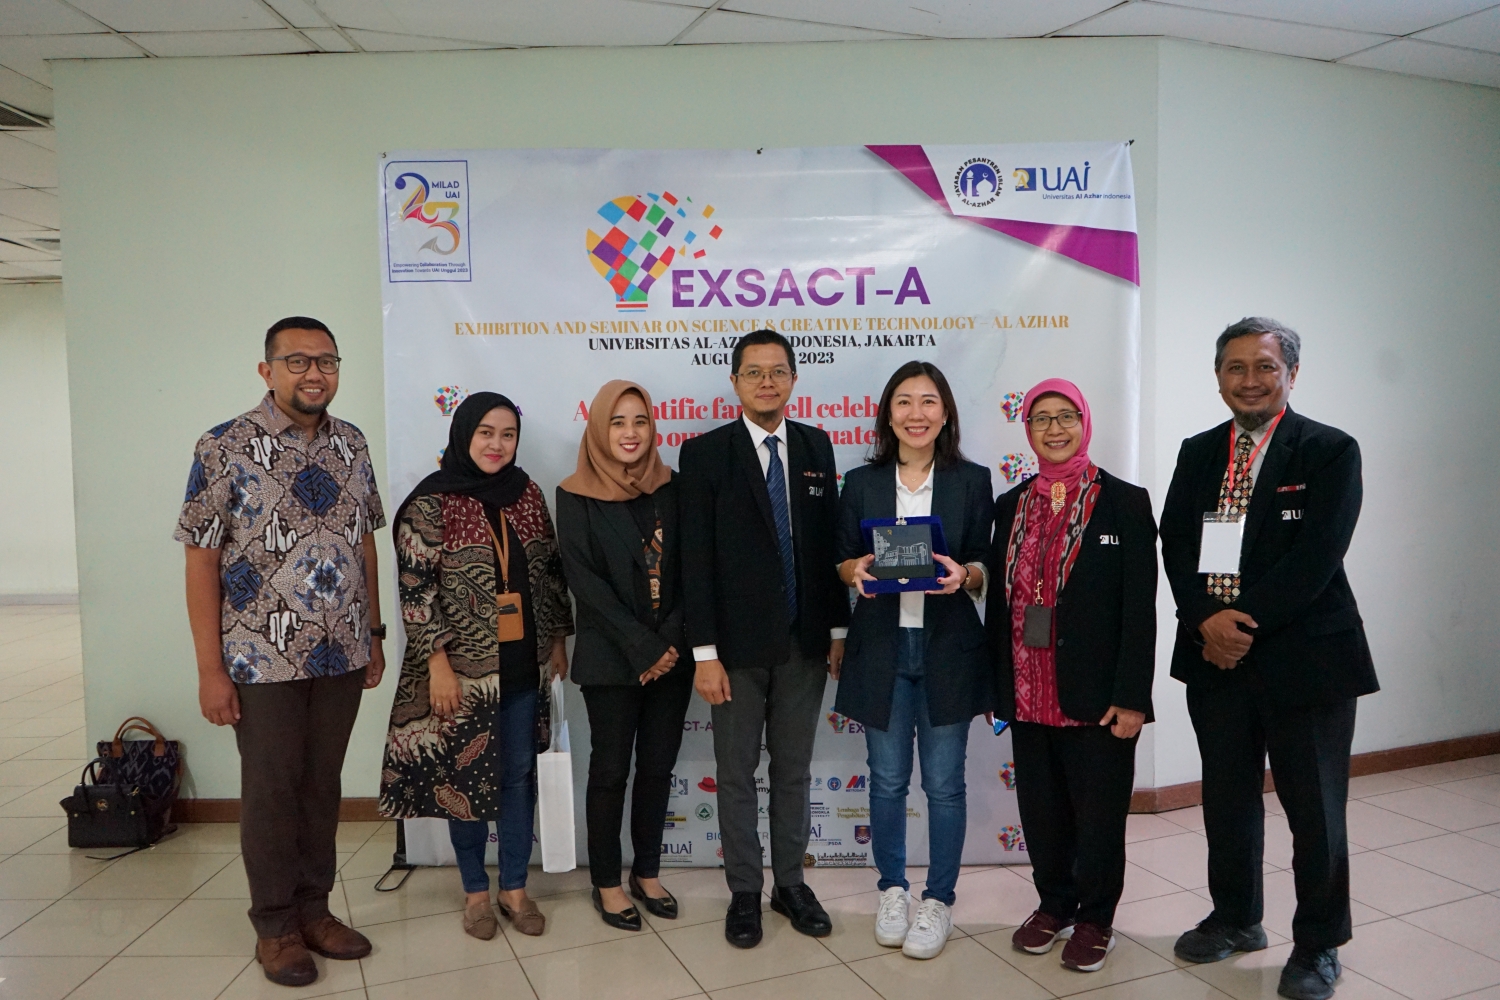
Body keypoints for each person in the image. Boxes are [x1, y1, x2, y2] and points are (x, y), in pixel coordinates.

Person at [1161, 319, 1376, 1000]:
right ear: (1218, 376)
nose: (1249, 380)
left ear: (1291, 374)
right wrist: (1205, 619)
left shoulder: (1329, 451)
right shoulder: (1199, 452)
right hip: (1214, 658)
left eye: (1264, 366)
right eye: (1235, 367)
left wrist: (1239, 624)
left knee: (1315, 810)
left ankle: (1318, 944)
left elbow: (1318, 557)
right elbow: (1175, 542)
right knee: (1227, 800)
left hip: (1305, 661)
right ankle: (1235, 918)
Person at [177, 316, 384, 987]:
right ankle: (275, 927)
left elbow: (364, 542)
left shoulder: (352, 443)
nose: (314, 373)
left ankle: (314, 911)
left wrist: (374, 634)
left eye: (327, 361)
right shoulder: (223, 446)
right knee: (272, 791)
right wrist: (210, 670)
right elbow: (201, 560)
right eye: (298, 361)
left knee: (322, 786)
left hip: (342, 652)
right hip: (260, 657)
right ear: (267, 371)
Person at [378, 392, 573, 942]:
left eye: (507, 434)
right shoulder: (430, 502)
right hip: (460, 675)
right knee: (463, 780)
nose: (496, 444)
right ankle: (474, 892)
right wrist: (436, 664)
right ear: (464, 434)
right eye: (486, 432)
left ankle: (514, 887)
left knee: (516, 777)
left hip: (524, 667)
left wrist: (558, 638)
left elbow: (550, 570)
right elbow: (415, 593)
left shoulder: (526, 493)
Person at [679, 329, 849, 948]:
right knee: (735, 773)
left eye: (778, 371)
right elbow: (695, 561)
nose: (767, 382)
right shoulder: (705, 454)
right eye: (754, 372)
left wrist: (837, 629)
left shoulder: (815, 446)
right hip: (734, 652)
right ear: (735, 382)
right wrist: (704, 654)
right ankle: (745, 892)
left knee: (794, 772)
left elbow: (828, 547)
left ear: (794, 380)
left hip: (805, 644)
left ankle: (791, 885)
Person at [988, 379, 1157, 974]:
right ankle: (1054, 903)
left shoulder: (1125, 502)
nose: (1054, 429)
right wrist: (999, 686)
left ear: (1085, 423)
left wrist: (1133, 696)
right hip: (1028, 690)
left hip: (1097, 697)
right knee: (1042, 812)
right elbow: (1001, 605)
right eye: (1041, 419)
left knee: (1099, 817)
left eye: (1066, 416)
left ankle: (1095, 917)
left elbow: (1140, 608)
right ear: (1027, 430)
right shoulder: (1010, 504)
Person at [834, 361, 993, 960]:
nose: (916, 414)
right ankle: (893, 890)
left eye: (928, 402)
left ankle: (939, 899)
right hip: (882, 646)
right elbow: (841, 559)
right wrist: (853, 569)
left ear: (945, 413)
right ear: (888, 414)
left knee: (945, 785)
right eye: (904, 401)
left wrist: (967, 574)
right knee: (887, 780)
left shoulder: (972, 481)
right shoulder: (861, 482)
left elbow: (984, 560)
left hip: (948, 646)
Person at [555, 380, 690, 931]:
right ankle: (607, 882)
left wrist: (668, 644)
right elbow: (584, 582)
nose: (631, 433)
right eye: (618, 422)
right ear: (599, 428)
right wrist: (643, 647)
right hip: (612, 659)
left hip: (672, 658)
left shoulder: (674, 488)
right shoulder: (574, 494)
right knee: (610, 771)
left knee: (657, 768)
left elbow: (692, 570)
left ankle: (647, 872)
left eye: (640, 421)